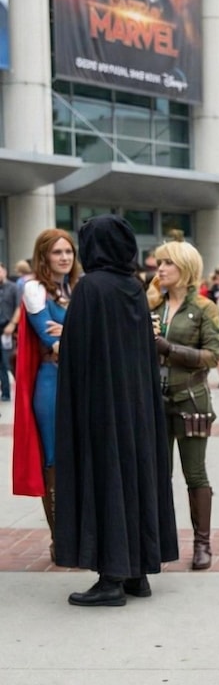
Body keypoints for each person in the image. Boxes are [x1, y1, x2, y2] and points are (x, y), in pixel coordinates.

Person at [54, 215, 179, 606]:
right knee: (134, 476)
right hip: (137, 407)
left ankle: (110, 578)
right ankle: (136, 572)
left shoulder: (91, 287)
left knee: (105, 476)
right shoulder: (133, 287)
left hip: (101, 408)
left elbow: (76, 354)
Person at [148, 240, 219, 570]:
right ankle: (156, 542)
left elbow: (211, 356)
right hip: (155, 400)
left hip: (191, 400)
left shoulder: (204, 308)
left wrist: (168, 348)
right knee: (158, 475)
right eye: (159, 262)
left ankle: (202, 544)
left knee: (195, 474)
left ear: (186, 268)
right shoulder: (153, 305)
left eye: (168, 263)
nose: (160, 268)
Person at [12, 230, 80, 560]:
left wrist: (70, 333)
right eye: (57, 252)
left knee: (80, 457)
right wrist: (77, 335)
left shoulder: (76, 288)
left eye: (68, 251)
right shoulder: (34, 289)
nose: (64, 257)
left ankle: (79, 533)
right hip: (51, 382)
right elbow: (50, 341)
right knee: (53, 458)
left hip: (79, 380)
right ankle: (60, 539)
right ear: (44, 256)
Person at [0, 262, 16, 402]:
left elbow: (19, 307)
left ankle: (18, 391)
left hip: (8, 330)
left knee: (9, 362)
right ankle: (5, 393)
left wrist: (12, 324)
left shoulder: (13, 287)